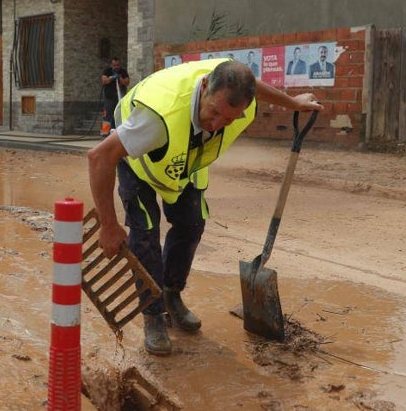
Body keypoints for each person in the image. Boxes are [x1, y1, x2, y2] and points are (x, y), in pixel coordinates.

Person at [87, 59, 323, 356]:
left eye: (228, 120)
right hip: (139, 161)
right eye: (213, 112)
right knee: (145, 232)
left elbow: (253, 85)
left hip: (185, 158)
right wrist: (109, 225)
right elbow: (99, 157)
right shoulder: (156, 119)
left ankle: (171, 294)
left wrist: (292, 103)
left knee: (192, 223)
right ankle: (153, 315)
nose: (216, 125)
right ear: (203, 87)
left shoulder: (236, 96)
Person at [100, 57, 130, 137]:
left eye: (117, 65)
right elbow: (104, 80)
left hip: (120, 99)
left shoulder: (123, 72)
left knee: (118, 115)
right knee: (107, 116)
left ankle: (118, 133)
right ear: (111, 65)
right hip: (109, 98)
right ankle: (105, 133)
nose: (116, 67)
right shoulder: (108, 71)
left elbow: (127, 82)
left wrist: (120, 78)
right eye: (114, 65)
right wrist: (111, 78)